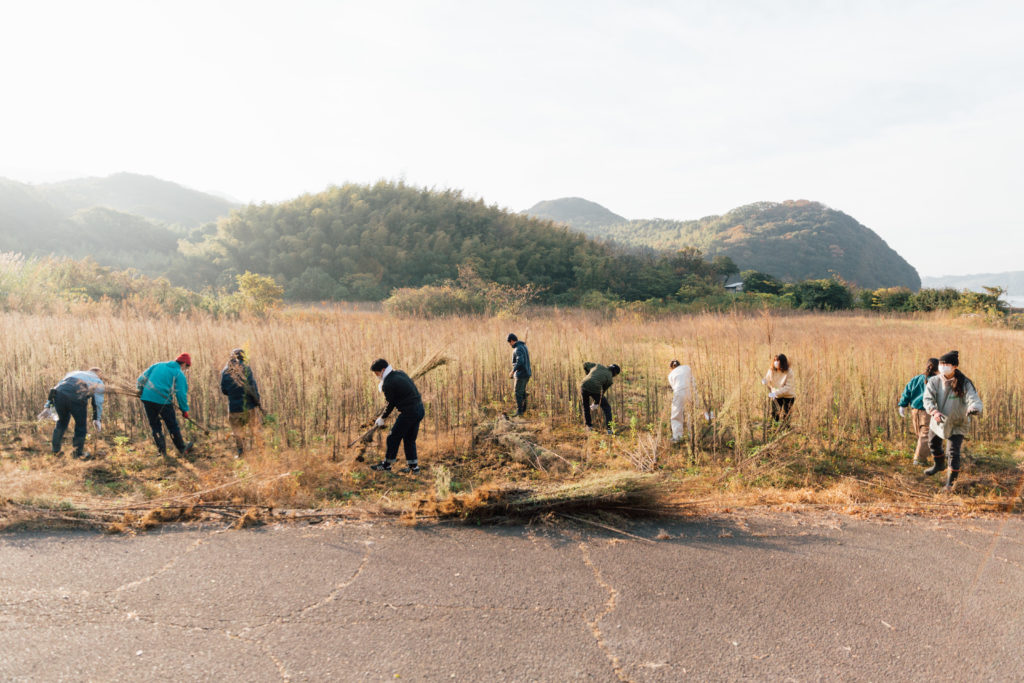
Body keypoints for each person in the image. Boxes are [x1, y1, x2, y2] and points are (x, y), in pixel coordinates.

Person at [922, 350, 982, 492]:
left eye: (946, 364)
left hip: (957, 422)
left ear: (954, 366)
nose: (943, 366)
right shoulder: (934, 381)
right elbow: (927, 399)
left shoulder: (964, 382)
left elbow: (974, 399)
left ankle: (950, 484)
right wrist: (933, 411)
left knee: (953, 452)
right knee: (933, 443)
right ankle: (938, 465)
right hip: (939, 419)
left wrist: (973, 408)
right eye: (941, 364)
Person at [369, 358, 425, 473]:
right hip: (419, 409)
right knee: (409, 439)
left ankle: (386, 465)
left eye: (376, 373)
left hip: (409, 412)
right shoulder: (400, 373)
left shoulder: (388, 383)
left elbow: (390, 403)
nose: (376, 376)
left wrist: (382, 418)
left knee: (393, 437)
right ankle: (414, 468)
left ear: (383, 370)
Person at [137, 353, 194, 458]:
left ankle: (162, 452)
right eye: (186, 367)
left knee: (155, 426)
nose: (185, 370)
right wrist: (184, 409)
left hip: (147, 398)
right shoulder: (178, 373)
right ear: (184, 364)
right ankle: (182, 448)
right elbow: (181, 394)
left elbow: (141, 379)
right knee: (172, 425)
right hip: (163, 401)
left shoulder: (158, 365)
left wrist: (140, 389)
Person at [49, 367, 105, 460]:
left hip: (59, 394)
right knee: (80, 425)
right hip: (77, 395)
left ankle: (55, 451)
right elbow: (98, 402)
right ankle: (77, 453)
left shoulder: (74, 373)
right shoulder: (97, 380)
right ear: (98, 374)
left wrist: (48, 404)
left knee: (61, 423)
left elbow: (56, 387)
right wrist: (97, 419)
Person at [898, 357, 940, 466]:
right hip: (927, 411)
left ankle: (923, 456)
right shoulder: (936, 381)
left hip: (915, 411)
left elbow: (907, 391)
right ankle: (919, 459)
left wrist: (902, 405)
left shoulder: (916, 379)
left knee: (920, 434)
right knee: (925, 435)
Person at [220, 348, 261, 456]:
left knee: (237, 431)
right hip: (249, 406)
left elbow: (224, 390)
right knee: (255, 429)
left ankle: (241, 452)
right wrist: (258, 402)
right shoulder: (246, 368)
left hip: (234, 408)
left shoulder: (225, 371)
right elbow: (253, 387)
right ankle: (261, 451)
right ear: (243, 357)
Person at [581, 362, 620, 434]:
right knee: (607, 408)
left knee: (586, 406)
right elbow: (601, 392)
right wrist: (596, 403)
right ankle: (609, 430)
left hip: (584, 384)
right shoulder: (610, 379)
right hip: (595, 388)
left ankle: (588, 426)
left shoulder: (598, 365)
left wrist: (589, 375)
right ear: (615, 373)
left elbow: (585, 364)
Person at [668, 359, 695, 443]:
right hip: (690, 391)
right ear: (680, 365)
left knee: (676, 415)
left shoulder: (671, 374)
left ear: (671, 367)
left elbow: (674, 387)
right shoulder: (687, 368)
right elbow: (692, 381)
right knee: (691, 413)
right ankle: (692, 435)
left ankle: (677, 437)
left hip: (679, 392)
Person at [762, 353, 795, 422]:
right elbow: (767, 378)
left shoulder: (789, 372)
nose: (775, 362)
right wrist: (764, 381)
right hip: (776, 396)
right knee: (775, 414)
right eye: (774, 360)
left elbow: (787, 387)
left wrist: (775, 393)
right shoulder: (771, 370)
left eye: (778, 361)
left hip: (788, 396)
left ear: (782, 362)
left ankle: (786, 429)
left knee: (786, 416)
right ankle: (775, 428)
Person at [507, 333, 531, 417]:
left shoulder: (517, 349)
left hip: (521, 375)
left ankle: (519, 412)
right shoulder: (524, 346)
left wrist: (513, 371)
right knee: (522, 391)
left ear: (512, 341)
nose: (510, 344)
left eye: (509, 342)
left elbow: (520, 361)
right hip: (527, 373)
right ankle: (523, 409)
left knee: (517, 392)